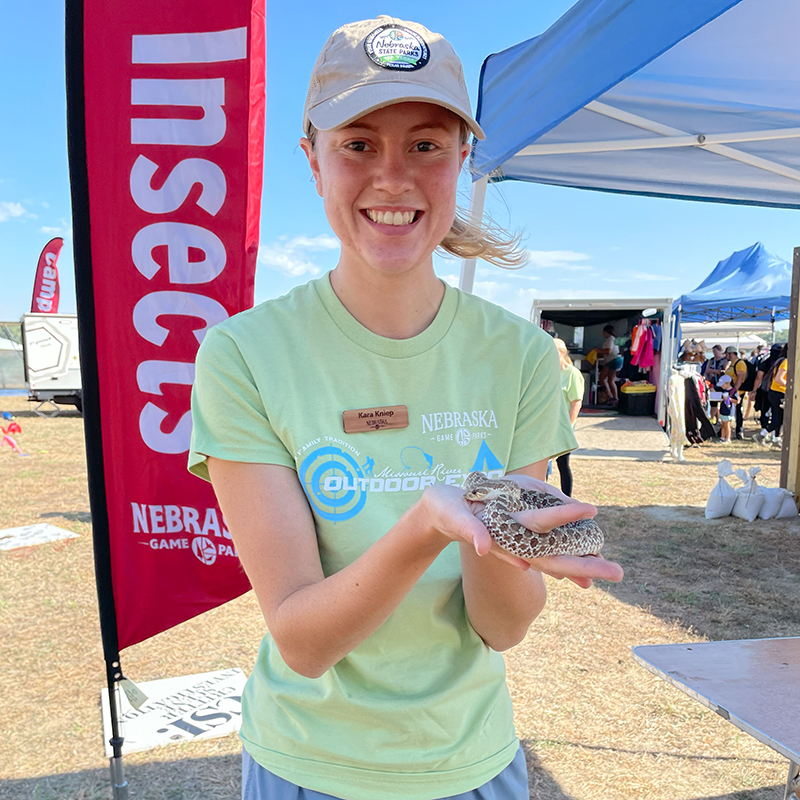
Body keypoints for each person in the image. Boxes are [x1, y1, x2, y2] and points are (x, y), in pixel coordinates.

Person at [187, 17, 623, 800]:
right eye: (358, 143)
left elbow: (504, 627)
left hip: (473, 762)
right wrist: (429, 525)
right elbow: (302, 639)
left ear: (463, 160)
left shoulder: (520, 357)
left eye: (425, 145)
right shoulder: (244, 355)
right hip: (309, 766)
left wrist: (506, 544)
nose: (392, 177)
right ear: (312, 159)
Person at [552, 338, 584, 496]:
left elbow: (576, 403)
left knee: (562, 464)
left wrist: (569, 427)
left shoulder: (572, 374)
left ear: (562, 353)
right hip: (548, 426)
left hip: (563, 428)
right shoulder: (549, 372)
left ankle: (566, 497)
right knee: (542, 464)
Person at [756, 344, 788, 446]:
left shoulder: (779, 360)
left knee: (777, 417)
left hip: (773, 392)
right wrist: (790, 386)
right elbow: (779, 379)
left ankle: (776, 439)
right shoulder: (786, 362)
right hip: (779, 392)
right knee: (779, 418)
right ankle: (762, 435)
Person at [722, 346, 748, 439]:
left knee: (738, 411)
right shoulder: (732, 363)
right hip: (731, 390)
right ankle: (725, 431)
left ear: (731, 353)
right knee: (727, 411)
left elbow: (740, 378)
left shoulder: (739, 363)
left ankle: (739, 431)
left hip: (737, 392)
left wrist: (734, 391)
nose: (726, 356)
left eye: (727, 354)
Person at [701, 344, 727, 423]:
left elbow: (724, 371)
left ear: (720, 351)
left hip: (722, 384)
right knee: (714, 401)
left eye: (716, 352)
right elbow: (707, 370)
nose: (714, 354)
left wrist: (715, 371)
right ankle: (713, 418)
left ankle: (721, 419)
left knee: (723, 401)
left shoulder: (725, 360)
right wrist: (717, 372)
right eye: (713, 352)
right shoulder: (711, 360)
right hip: (712, 384)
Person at [598, 324, 622, 406]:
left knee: (610, 380)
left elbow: (608, 351)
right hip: (611, 360)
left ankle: (615, 398)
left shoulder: (610, 339)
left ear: (605, 332)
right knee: (602, 378)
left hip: (614, 360)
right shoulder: (610, 339)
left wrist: (598, 350)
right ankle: (610, 396)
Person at [715, 374, 739, 443]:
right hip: (723, 409)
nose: (722, 386)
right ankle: (722, 438)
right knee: (723, 425)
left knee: (727, 425)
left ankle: (728, 439)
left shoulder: (733, 391)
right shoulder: (723, 390)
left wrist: (729, 399)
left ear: (728, 383)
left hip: (729, 410)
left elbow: (737, 401)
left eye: (723, 385)